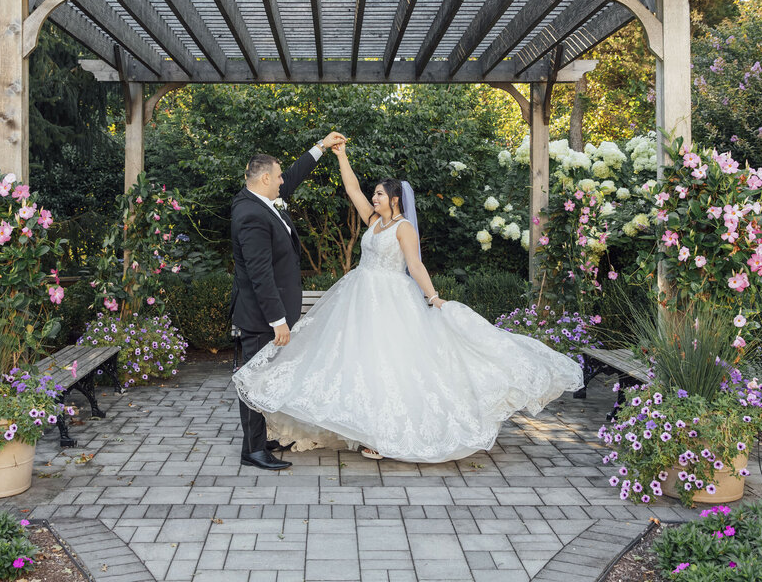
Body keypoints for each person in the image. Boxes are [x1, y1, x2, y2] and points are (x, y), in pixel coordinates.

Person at [233, 142, 584, 464]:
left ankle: (383, 434)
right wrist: (341, 157)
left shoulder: (404, 229)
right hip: (357, 301)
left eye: (380, 195)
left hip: (390, 304)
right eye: (374, 194)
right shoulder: (373, 223)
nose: (373, 198)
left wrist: (432, 297)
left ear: (395, 200)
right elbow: (351, 188)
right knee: (357, 365)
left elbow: (415, 266)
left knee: (390, 365)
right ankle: (356, 427)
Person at [230, 132, 345, 470]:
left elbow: (291, 177)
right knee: (252, 379)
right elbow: (259, 274)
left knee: (261, 378)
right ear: (265, 178)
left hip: (265, 313)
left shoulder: (259, 200)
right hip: (260, 316)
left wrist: (321, 147)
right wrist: (277, 320)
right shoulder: (251, 215)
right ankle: (252, 451)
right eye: (278, 176)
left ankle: (256, 440)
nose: (283, 181)